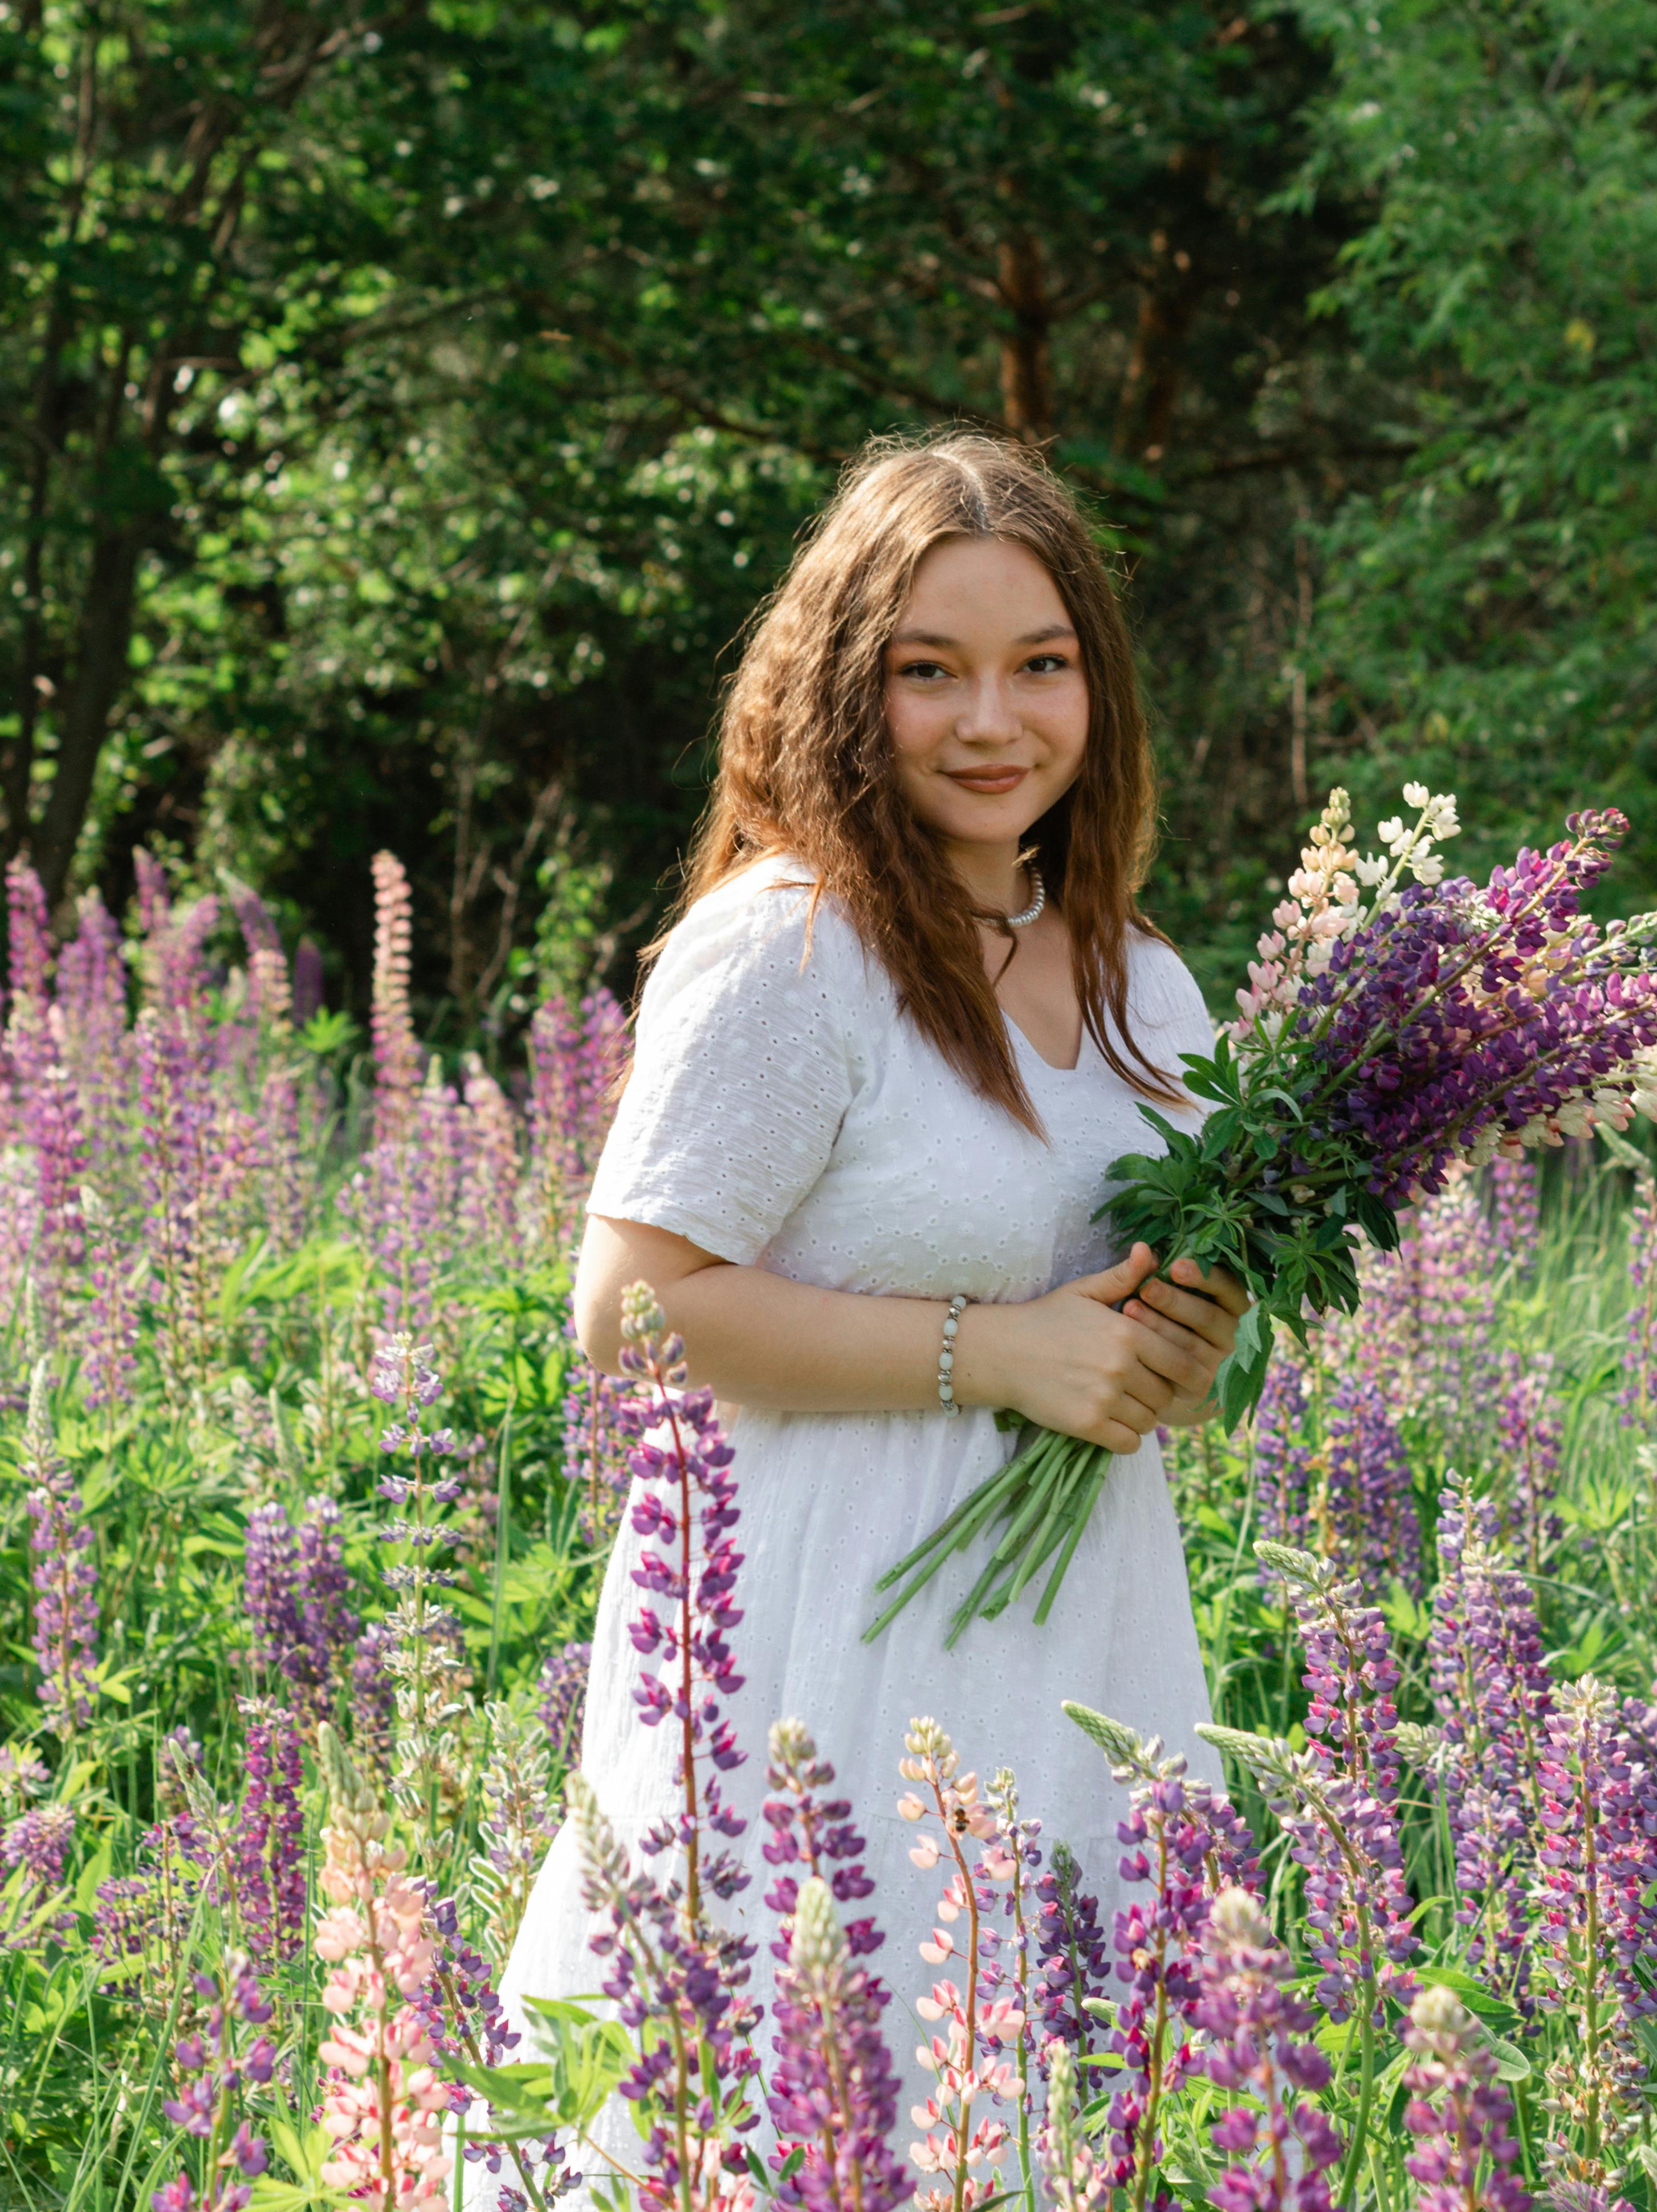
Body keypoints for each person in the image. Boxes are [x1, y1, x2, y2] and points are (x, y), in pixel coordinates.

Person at [486, 433, 1244, 2190]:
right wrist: (997, 1353)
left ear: (1097, 689)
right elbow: (630, 1311)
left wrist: (1186, 1355)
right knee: (790, 2099)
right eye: (931, 671)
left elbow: (1163, 1333)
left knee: (1043, 2108)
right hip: (815, 1632)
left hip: (1082, 1638)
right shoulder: (793, 945)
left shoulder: (1146, 982)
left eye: (1039, 665)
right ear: (847, 689)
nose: (995, 720)